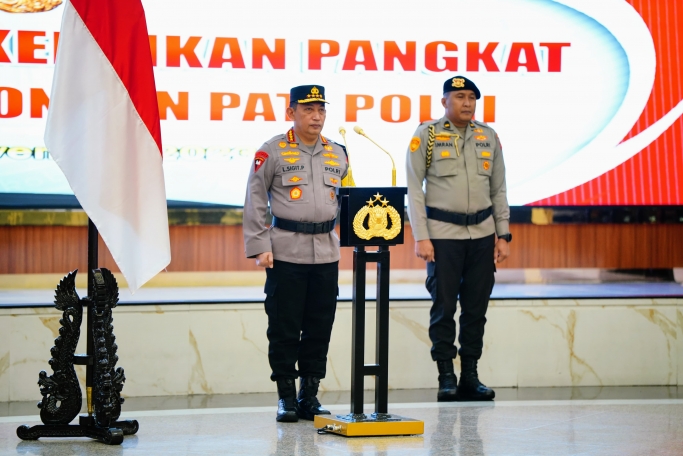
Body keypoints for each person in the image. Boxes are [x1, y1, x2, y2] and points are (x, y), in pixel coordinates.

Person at [243, 85, 348, 422]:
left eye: (321, 110)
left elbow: (345, 201)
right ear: (291, 113)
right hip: (286, 251)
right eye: (308, 110)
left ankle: (309, 396)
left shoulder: (338, 153)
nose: (316, 116)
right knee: (285, 328)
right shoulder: (271, 151)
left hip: (326, 254)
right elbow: (256, 199)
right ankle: (286, 397)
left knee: (320, 327)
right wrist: (260, 246)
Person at [405, 76, 511, 402]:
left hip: (481, 235)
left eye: (471, 98)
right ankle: (446, 377)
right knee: (444, 307)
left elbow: (499, 188)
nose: (467, 103)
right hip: (442, 237)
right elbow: (414, 191)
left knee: (476, 309)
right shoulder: (428, 135)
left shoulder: (488, 136)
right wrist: (422, 237)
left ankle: (470, 376)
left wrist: (503, 233)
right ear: (444, 102)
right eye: (459, 96)